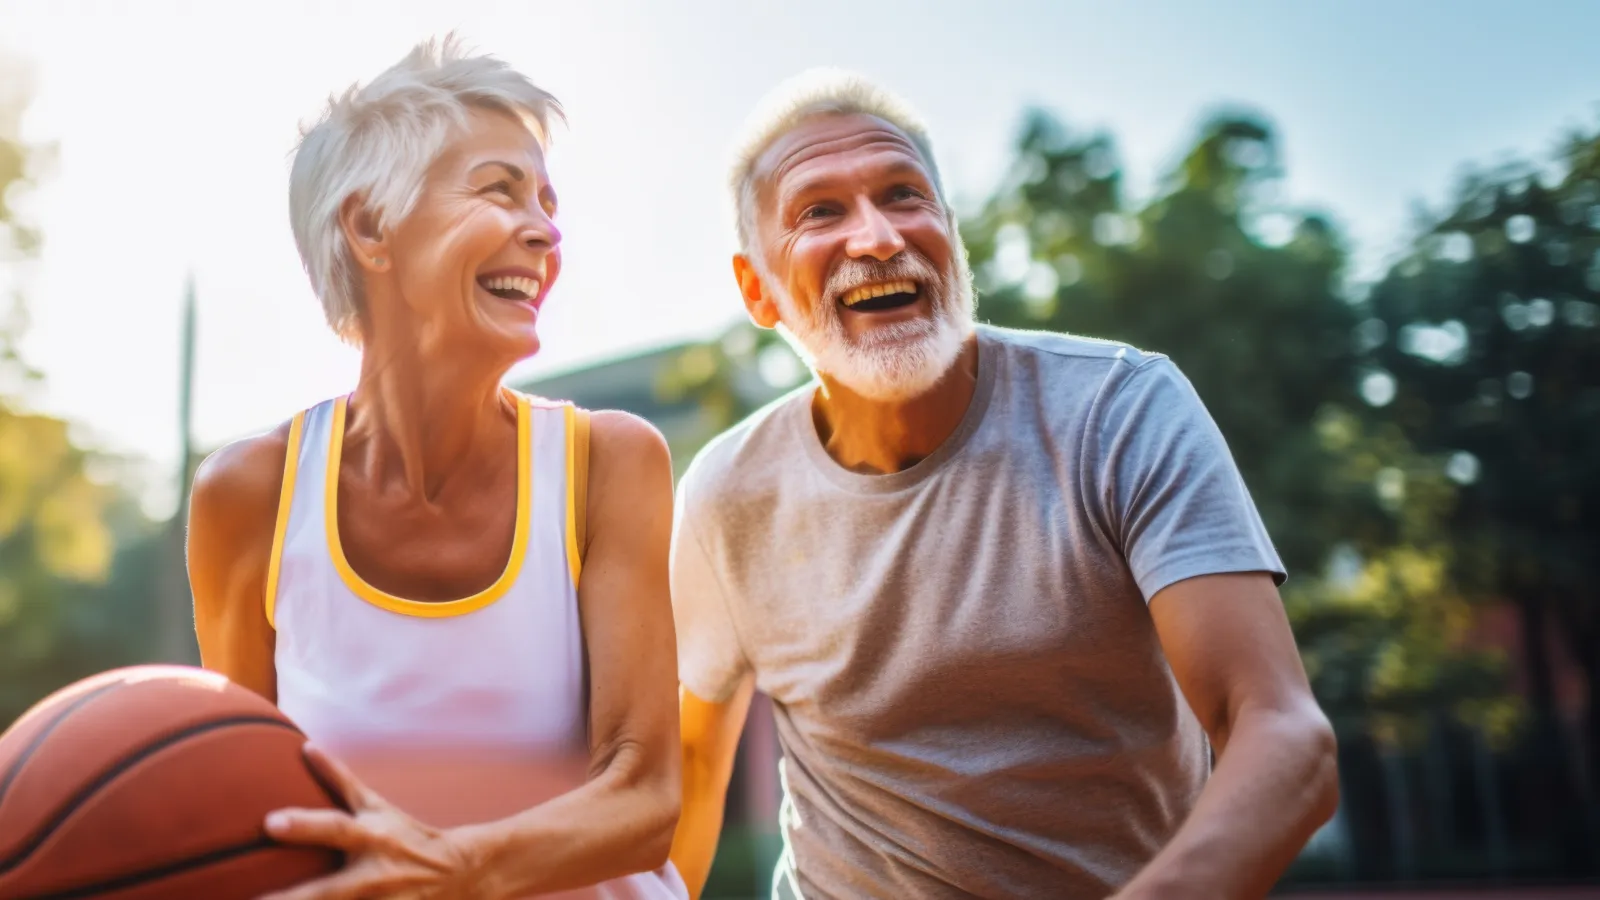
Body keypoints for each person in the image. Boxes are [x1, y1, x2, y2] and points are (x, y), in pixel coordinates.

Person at [668, 70, 1339, 900]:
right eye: (820, 211)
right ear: (756, 289)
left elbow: (1284, 736)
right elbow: (692, 773)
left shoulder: (1117, 410)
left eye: (904, 196)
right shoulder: (725, 495)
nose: (877, 238)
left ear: (951, 233)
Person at [187, 37, 687, 900]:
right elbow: (248, 812)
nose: (546, 230)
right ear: (372, 226)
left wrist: (454, 870)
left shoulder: (608, 462)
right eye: (500, 189)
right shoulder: (248, 498)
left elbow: (645, 800)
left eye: (547, 201)